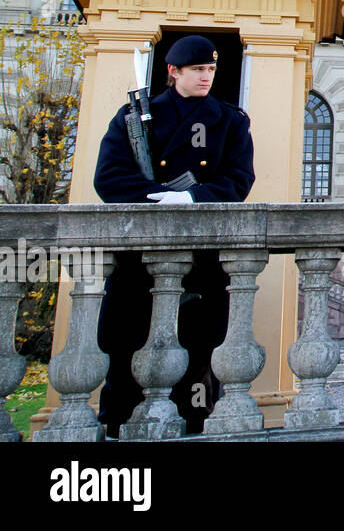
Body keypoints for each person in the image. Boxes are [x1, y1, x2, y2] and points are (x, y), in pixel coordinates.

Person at [92, 34, 255, 436]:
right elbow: (109, 179)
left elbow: (238, 181)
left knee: (200, 356)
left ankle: (194, 426)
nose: (206, 77)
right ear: (173, 71)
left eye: (212, 70)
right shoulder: (133, 119)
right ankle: (118, 429)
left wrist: (191, 196)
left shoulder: (230, 121)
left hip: (201, 262)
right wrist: (160, 199)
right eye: (198, 69)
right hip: (138, 260)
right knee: (124, 351)